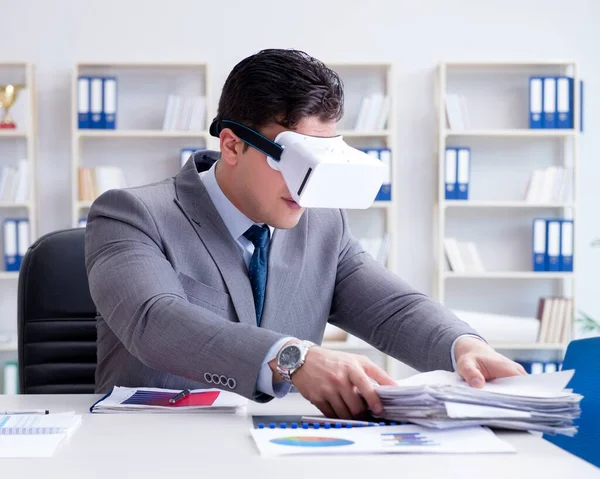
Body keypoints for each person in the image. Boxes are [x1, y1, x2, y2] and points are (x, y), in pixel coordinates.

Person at [85, 48, 526, 419]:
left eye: (320, 162)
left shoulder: (323, 223)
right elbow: (154, 321)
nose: (307, 186)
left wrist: (462, 347)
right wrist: (291, 357)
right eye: (295, 161)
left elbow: (394, 309)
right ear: (233, 145)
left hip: (284, 447)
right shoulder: (131, 215)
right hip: (156, 444)